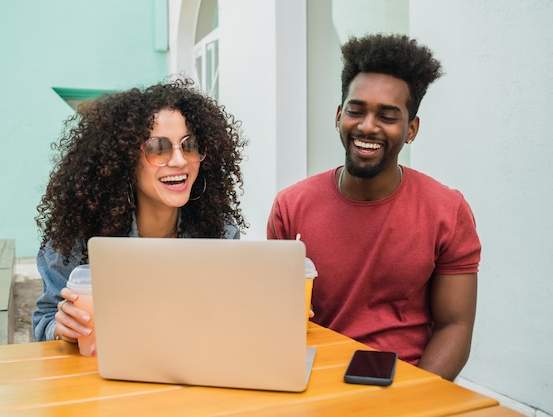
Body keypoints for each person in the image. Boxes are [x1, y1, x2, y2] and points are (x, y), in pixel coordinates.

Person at [267, 34, 481, 381]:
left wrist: (413, 402)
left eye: (387, 116)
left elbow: (454, 326)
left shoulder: (447, 210)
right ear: (339, 116)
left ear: (411, 129)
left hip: (407, 384)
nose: (367, 126)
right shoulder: (290, 207)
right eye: (356, 110)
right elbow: (276, 317)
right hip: (313, 382)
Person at [33, 78, 247, 344]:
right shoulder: (78, 236)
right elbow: (45, 318)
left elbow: (225, 320)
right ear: (124, 159)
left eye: (190, 145)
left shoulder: (219, 231)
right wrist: (60, 327)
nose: (180, 161)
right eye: (158, 148)